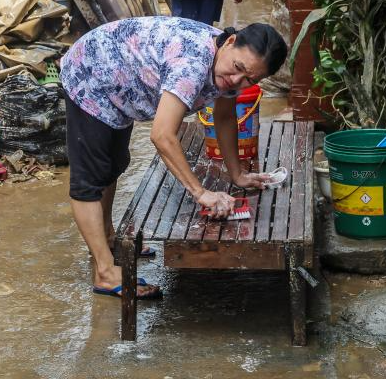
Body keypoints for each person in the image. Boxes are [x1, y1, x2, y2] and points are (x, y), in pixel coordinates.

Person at [61, 17, 288, 299]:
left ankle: (108, 240)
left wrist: (237, 174)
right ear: (230, 42)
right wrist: (200, 192)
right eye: (237, 68)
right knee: (89, 180)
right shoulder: (192, 64)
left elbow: (226, 116)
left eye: (250, 79)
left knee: (113, 164)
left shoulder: (230, 66)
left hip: (120, 81)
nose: (236, 81)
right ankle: (105, 272)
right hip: (92, 73)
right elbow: (162, 136)